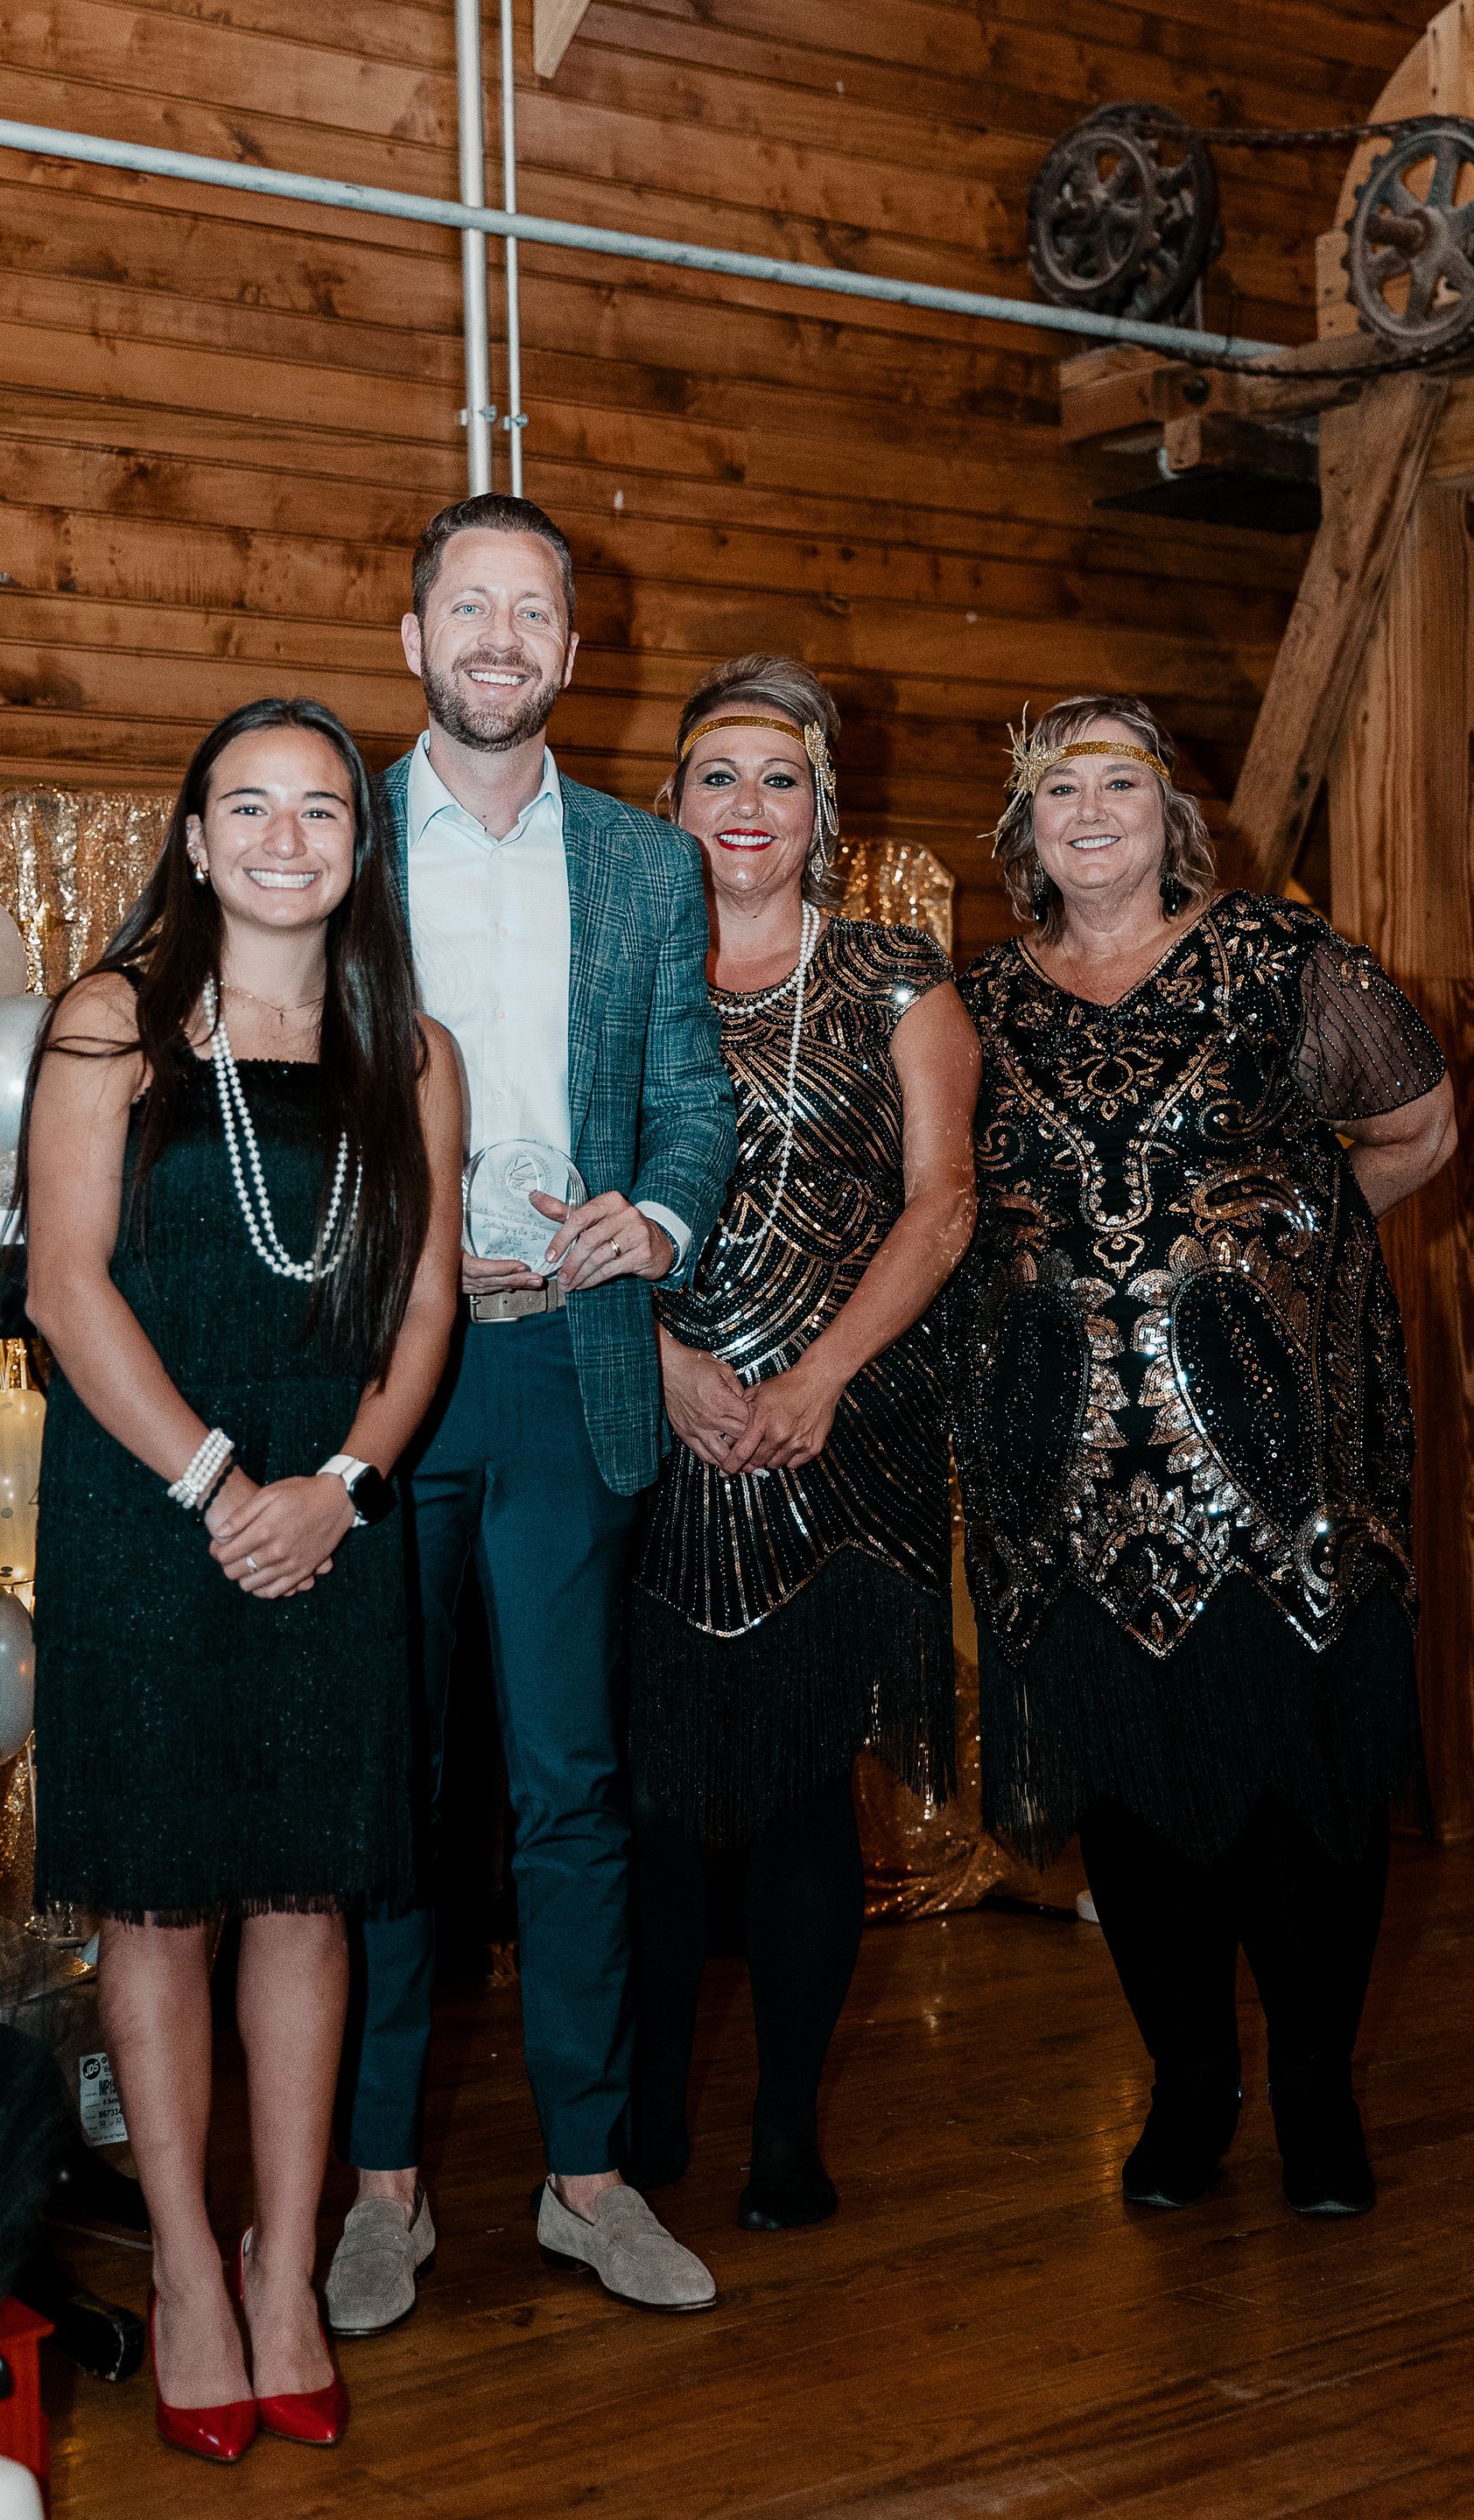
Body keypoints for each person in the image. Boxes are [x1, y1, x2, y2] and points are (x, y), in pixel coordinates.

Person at [945, 693, 1456, 2218]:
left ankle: (1314, 2092)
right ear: (1025, 830)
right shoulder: (977, 1003)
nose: (1090, 810)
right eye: (1058, 790)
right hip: (1067, 1472)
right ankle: (1187, 2088)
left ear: (1171, 814)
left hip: (1275, 1464)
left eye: (1120, 782)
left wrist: (1273, 1262)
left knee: (1301, 1794)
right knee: (1132, 1800)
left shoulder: (1277, 961)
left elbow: (1421, 1128)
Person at [25, 696, 463, 2460]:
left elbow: (426, 1303)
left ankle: (290, 2267)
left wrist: (340, 1488)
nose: (288, 839)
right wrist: (219, 1483)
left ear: (361, 847)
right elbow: (64, 1288)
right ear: (197, 842)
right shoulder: (111, 1020)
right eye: (250, 808)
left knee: (305, 1898)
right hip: (151, 1501)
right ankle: (193, 2277)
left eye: (322, 810)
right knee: (161, 1902)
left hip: (335, 1506)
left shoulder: (410, 1052)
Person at [326, 493, 737, 2331]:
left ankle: (589, 2177)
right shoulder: (334, 843)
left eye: (533, 613)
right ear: (416, 640)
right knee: (389, 1793)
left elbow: (693, 1102)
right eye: (469, 608)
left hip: (572, 1371)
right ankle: (379, 2191)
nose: (502, 639)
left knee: (573, 1791)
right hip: (382, 1380)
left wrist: (654, 1218)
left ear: (572, 649)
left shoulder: (648, 866)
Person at [625, 655, 979, 2230]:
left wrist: (821, 1377)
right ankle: (642, 2123)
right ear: (673, 802)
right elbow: (541, 1177)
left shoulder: (897, 974)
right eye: (719, 776)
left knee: (796, 1795)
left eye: (780, 779)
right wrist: (655, 1365)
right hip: (649, 1426)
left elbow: (942, 1204)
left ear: (822, 809)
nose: (748, 806)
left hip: (841, 1434)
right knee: (645, 1800)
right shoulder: (618, 967)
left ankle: (783, 2129)